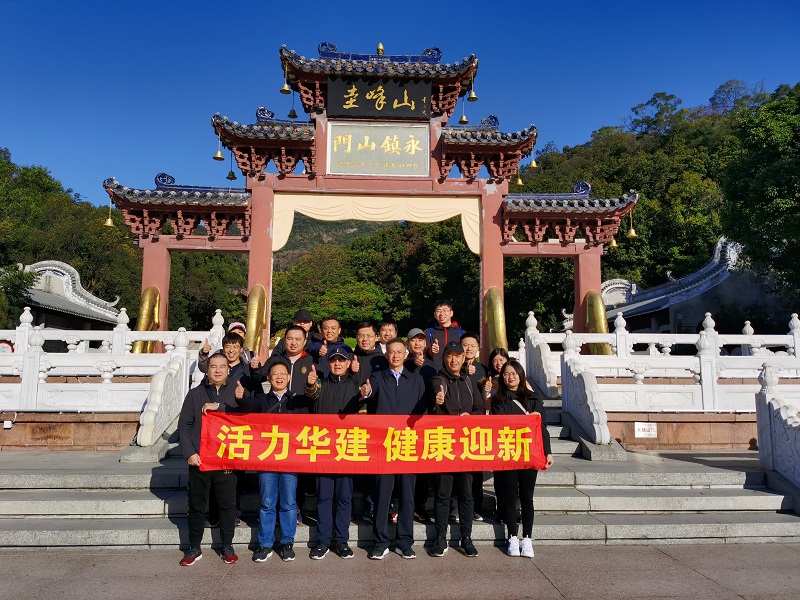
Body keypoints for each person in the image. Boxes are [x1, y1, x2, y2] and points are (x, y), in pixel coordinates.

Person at [237, 359, 312, 562]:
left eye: (282, 373)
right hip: (267, 460)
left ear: (289, 377)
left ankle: (287, 542)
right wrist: (241, 398)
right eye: (275, 374)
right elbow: (248, 406)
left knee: (288, 502)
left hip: (290, 461)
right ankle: (265, 544)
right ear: (269, 378)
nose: (279, 377)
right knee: (267, 502)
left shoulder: (297, 400)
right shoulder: (262, 399)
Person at [360, 338, 427, 560]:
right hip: (384, 445)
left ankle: (405, 543)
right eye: (392, 352)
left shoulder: (416, 379)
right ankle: (380, 542)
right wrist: (366, 392)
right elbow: (370, 392)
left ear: (406, 355)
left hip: (408, 444)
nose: (396, 356)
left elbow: (423, 412)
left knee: (407, 496)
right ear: (386, 355)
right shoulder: (378, 377)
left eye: (399, 352)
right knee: (382, 495)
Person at [177, 351, 239, 566]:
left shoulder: (237, 392)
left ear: (229, 370)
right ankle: (194, 547)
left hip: (226, 460)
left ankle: (227, 545)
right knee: (196, 506)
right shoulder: (195, 394)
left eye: (222, 366)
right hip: (200, 459)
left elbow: (246, 416)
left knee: (227, 506)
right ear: (207, 370)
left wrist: (221, 407)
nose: (218, 370)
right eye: (214, 366)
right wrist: (189, 452)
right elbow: (184, 426)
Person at [492, 360, 554, 558]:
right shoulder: (498, 400)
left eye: (513, 373)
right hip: (509, 452)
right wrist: (527, 420)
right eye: (506, 374)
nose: (510, 377)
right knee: (510, 496)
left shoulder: (533, 399)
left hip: (530, 452)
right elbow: (501, 425)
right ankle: (512, 537)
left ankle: (527, 538)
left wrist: (548, 451)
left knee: (526, 496)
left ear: (520, 375)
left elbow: (541, 427)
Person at [428, 341, 484, 558]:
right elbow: (435, 393)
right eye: (450, 356)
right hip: (444, 444)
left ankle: (466, 537)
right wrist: (438, 399)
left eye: (457, 356)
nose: (454, 360)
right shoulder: (438, 379)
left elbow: (479, 409)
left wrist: (472, 417)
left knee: (466, 494)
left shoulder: (469, 382)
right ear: (444, 358)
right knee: (443, 494)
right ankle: (440, 538)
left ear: (463, 358)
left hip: (466, 446)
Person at [305, 347, 362, 559]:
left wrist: (365, 395)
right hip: (324, 450)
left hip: (347, 449)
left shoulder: (356, 387)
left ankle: (342, 541)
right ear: (328, 363)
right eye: (333, 360)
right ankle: (323, 541)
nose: (337, 363)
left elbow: (364, 414)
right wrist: (309, 383)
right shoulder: (320, 385)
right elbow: (310, 393)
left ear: (348, 363)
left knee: (344, 497)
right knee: (324, 497)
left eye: (341, 360)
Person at [460, 331, 489, 521]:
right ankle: (457, 507)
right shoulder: (454, 367)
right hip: (456, 425)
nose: (469, 348)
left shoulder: (484, 370)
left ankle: (476, 507)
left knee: (476, 467)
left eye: (472, 345)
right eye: (465, 345)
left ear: (478, 349)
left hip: (476, 425)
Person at [268, 325, 314, 395]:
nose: (293, 343)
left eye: (298, 339)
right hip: (278, 401)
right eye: (290, 339)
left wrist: (313, 383)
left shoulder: (311, 361)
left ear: (304, 341)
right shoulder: (275, 360)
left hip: (302, 401)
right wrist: (255, 367)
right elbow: (259, 377)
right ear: (284, 340)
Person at [426, 299, 463, 369]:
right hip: (435, 372)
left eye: (445, 310)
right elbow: (422, 353)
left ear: (451, 313)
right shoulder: (429, 332)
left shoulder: (460, 333)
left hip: (455, 372)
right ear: (434, 314)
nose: (441, 314)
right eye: (438, 311)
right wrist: (431, 351)